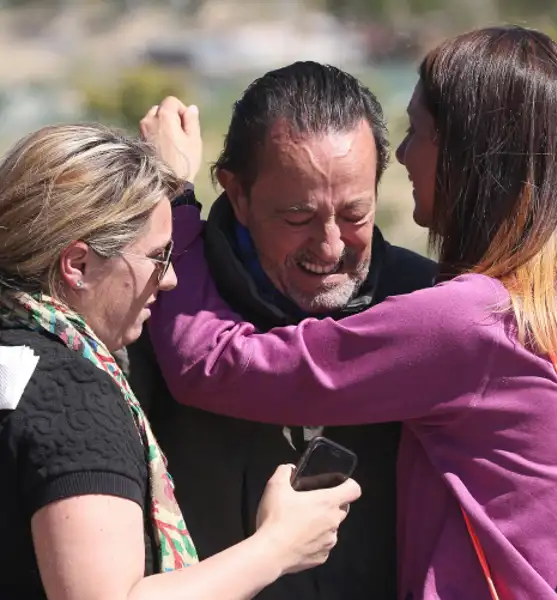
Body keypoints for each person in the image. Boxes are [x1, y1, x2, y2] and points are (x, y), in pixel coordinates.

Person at [147, 26, 557, 599]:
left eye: (418, 131)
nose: (405, 155)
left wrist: (174, 203)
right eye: (296, 216)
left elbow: (212, 364)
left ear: (473, 160)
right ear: (237, 193)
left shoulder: (467, 322)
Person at [0, 123, 361, 600]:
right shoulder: (73, 396)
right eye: (157, 256)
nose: (168, 279)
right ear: (78, 265)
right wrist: (277, 546)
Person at [129, 64, 436, 600]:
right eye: (297, 218)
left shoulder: (429, 305)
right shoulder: (146, 311)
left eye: (354, 213)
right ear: (237, 193)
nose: (330, 247)